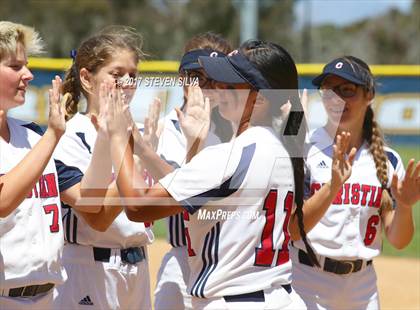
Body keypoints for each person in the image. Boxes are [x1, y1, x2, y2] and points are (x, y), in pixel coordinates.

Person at [103, 40, 356, 310]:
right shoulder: (282, 149)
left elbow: (138, 206)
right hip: (279, 298)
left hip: (234, 301)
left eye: (230, 84)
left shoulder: (231, 156)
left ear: (259, 99)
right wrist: (189, 146)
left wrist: (119, 137)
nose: (217, 88)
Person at [291, 56, 420, 309]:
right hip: (306, 281)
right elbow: (293, 230)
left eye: (347, 90)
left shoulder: (387, 160)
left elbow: (399, 240)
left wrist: (404, 206)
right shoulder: (305, 150)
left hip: (362, 289)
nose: (336, 98)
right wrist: (333, 186)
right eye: (328, 90)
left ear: (369, 94)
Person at [0, 21, 109, 310]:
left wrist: (110, 140)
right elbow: (2, 200)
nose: (28, 74)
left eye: (26, 65)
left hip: (46, 297)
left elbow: (89, 200)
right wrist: (53, 135)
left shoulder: (33, 135)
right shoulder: (45, 137)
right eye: (15, 66)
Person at [51, 26, 154, 309]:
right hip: (88, 267)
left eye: (133, 75)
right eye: (117, 74)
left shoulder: (144, 133)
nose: (127, 82)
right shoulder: (71, 134)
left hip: (138, 267)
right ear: (86, 78)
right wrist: (134, 162)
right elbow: (96, 216)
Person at [133, 32, 232, 310]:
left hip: (230, 262)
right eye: (197, 77)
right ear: (182, 78)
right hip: (179, 261)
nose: (205, 87)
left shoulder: (238, 134)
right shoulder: (157, 132)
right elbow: (145, 203)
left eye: (215, 78)